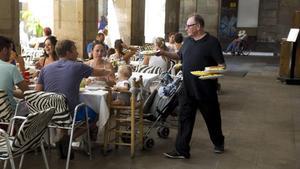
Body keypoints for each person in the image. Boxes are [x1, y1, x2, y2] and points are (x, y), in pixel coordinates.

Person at [159, 14, 225, 159]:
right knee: (184, 118)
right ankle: (181, 150)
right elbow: (179, 55)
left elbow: (221, 65)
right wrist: (163, 52)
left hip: (205, 89)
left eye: (189, 26)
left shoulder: (212, 42)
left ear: (198, 26)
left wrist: (209, 73)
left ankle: (219, 142)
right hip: (187, 88)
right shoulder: (187, 42)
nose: (186, 28)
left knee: (212, 118)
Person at [35, 39, 111, 159]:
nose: (77, 53)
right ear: (68, 52)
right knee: (95, 115)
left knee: (62, 111)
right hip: (70, 112)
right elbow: (99, 73)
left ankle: (63, 138)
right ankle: (68, 139)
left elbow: (37, 92)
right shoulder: (78, 66)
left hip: (49, 113)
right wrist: (111, 71)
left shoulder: (45, 69)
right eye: (75, 50)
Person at [0, 36, 28, 110]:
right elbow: (28, 93)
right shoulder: (11, 68)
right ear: (5, 50)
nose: (11, 52)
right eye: (10, 49)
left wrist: (9, 91)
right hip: (10, 116)